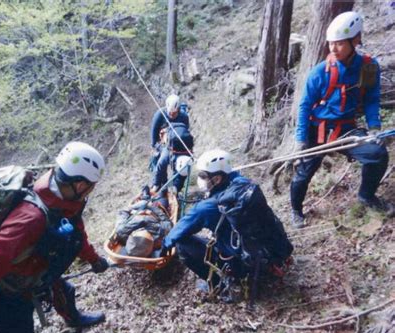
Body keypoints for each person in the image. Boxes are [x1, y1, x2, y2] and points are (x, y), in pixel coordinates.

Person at [0, 142, 110, 333]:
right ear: (79, 184)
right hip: (10, 295)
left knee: (64, 291)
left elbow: (76, 233)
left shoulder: (61, 198)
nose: (92, 190)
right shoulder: (31, 219)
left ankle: (74, 320)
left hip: (36, 270)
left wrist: (94, 259)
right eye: (91, 185)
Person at [291, 11, 390, 228]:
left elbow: (372, 98)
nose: (333, 49)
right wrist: (300, 140)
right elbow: (305, 106)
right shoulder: (320, 72)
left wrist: (374, 126)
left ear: (355, 40)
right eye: (331, 44)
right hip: (318, 130)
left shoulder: (368, 66)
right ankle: (296, 210)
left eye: (339, 44)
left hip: (346, 129)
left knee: (377, 155)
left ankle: (366, 195)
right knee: (303, 174)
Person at [159, 150, 293, 297]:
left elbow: (178, 232)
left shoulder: (207, 208)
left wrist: (163, 246)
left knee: (182, 245)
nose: (199, 179)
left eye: (203, 176)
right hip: (271, 252)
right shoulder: (245, 185)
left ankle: (218, 285)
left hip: (243, 264)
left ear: (216, 179)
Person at [150, 94, 192, 193]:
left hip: (180, 144)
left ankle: (176, 187)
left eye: (174, 113)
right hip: (165, 145)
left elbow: (185, 131)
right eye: (170, 113)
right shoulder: (160, 114)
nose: (171, 115)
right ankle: (157, 183)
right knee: (162, 162)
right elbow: (154, 131)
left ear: (178, 109)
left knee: (181, 165)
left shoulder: (184, 116)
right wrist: (155, 146)